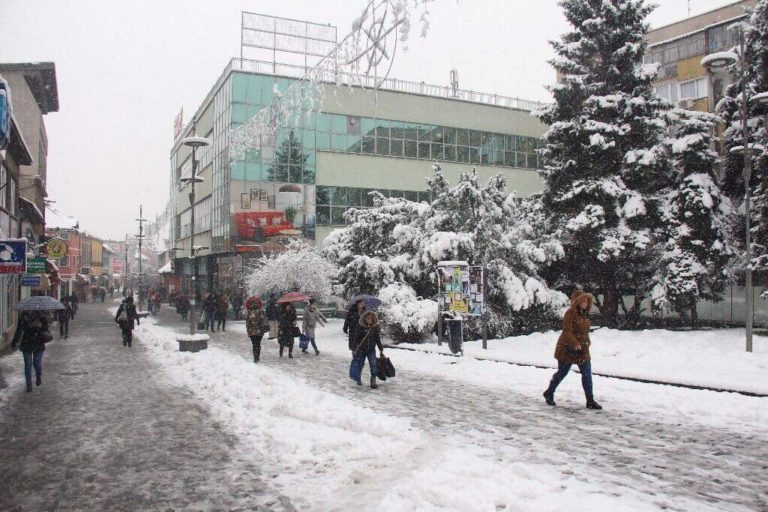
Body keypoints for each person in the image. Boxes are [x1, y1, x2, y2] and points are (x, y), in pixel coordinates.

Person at [543, 290, 602, 410]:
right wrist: (575, 343)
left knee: (587, 374)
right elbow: (566, 331)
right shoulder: (570, 313)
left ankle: (590, 400)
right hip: (567, 348)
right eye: (583, 301)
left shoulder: (584, 314)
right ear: (577, 302)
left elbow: (584, 332)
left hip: (583, 349)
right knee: (562, 372)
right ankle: (549, 392)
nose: (585, 303)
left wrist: (587, 343)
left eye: (587, 301)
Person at [11, 311, 53, 392]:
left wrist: (40, 326)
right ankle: (29, 384)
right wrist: (14, 342)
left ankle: (38, 375)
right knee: (28, 364)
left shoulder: (40, 315)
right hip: (26, 343)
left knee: (37, 364)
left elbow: (46, 328)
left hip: (38, 342)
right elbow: (19, 329)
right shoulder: (23, 316)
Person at [350, 311, 384, 389]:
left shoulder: (374, 327)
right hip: (361, 349)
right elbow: (356, 338)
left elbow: (377, 338)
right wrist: (354, 348)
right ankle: (358, 378)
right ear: (364, 318)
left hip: (371, 349)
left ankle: (373, 380)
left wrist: (380, 348)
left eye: (371, 318)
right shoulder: (360, 327)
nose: (369, 319)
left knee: (373, 364)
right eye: (367, 318)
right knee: (360, 364)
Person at [245, 297, 269, 363]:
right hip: (259, 331)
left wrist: (248, 330)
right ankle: (257, 356)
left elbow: (247, 323)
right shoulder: (261, 312)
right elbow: (264, 320)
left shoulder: (249, 312)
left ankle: (255, 358)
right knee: (258, 344)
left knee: (254, 344)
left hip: (252, 331)